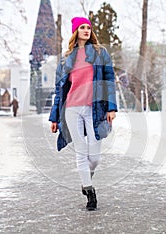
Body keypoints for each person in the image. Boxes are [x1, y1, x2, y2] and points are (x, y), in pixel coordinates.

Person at [49, 17, 117, 211]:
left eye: (88, 27)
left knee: (95, 157)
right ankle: (90, 192)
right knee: (81, 152)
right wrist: (54, 117)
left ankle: (86, 177)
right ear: (75, 32)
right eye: (82, 27)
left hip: (94, 109)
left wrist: (111, 107)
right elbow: (59, 90)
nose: (86, 30)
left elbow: (109, 81)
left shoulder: (100, 53)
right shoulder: (66, 58)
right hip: (71, 109)